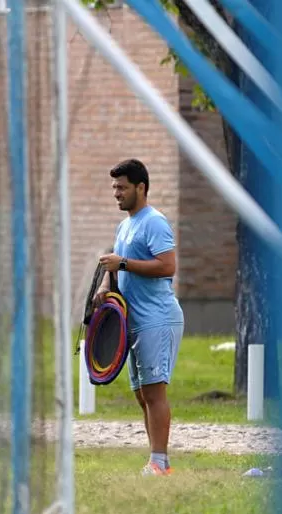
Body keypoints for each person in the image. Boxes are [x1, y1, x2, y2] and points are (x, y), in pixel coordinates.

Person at [95, 159, 184, 476]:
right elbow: (117, 267)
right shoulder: (125, 226)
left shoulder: (155, 222)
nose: (116, 193)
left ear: (141, 187)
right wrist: (107, 285)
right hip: (133, 321)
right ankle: (159, 460)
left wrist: (123, 265)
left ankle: (158, 461)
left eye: (122, 187)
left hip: (158, 318)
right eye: (114, 188)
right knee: (141, 394)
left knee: (154, 391)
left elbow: (167, 267)